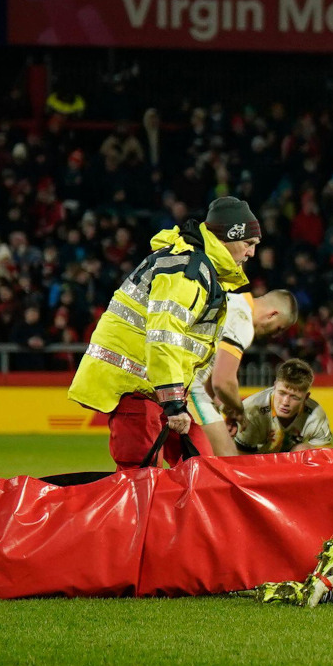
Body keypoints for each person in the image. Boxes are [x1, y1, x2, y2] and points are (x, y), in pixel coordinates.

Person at [68, 197, 260, 470]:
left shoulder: (197, 267)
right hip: (136, 389)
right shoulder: (187, 271)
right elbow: (163, 339)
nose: (251, 253)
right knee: (142, 485)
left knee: (201, 473)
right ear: (228, 237)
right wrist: (174, 404)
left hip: (159, 391)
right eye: (248, 244)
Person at [189, 289, 298, 456]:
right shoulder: (242, 320)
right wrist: (239, 412)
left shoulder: (231, 300)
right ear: (272, 314)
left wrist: (226, 407)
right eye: (279, 329)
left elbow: (212, 378)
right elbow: (223, 382)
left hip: (164, 377)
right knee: (226, 458)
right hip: (185, 385)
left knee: (188, 462)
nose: (275, 335)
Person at [232, 358, 333, 453]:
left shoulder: (316, 415)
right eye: (282, 393)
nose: (285, 402)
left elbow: (325, 456)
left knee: (303, 449)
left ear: (306, 397)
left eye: (294, 397)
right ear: (275, 386)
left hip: (289, 465)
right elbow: (241, 458)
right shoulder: (252, 410)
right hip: (253, 461)